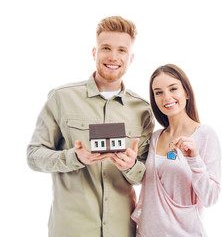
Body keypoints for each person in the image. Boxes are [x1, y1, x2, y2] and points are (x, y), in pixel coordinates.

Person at [27, 16, 154, 237]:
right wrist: (74, 158)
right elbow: (34, 156)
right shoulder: (61, 98)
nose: (113, 57)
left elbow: (146, 176)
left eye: (122, 50)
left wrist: (131, 166)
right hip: (71, 229)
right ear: (95, 52)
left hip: (122, 230)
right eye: (106, 48)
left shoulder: (142, 109)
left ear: (131, 58)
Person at [131, 64, 221, 237]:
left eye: (173, 89)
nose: (167, 97)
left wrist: (194, 159)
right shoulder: (155, 137)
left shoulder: (205, 135)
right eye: (158, 92)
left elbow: (210, 198)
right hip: (146, 233)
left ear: (186, 92)